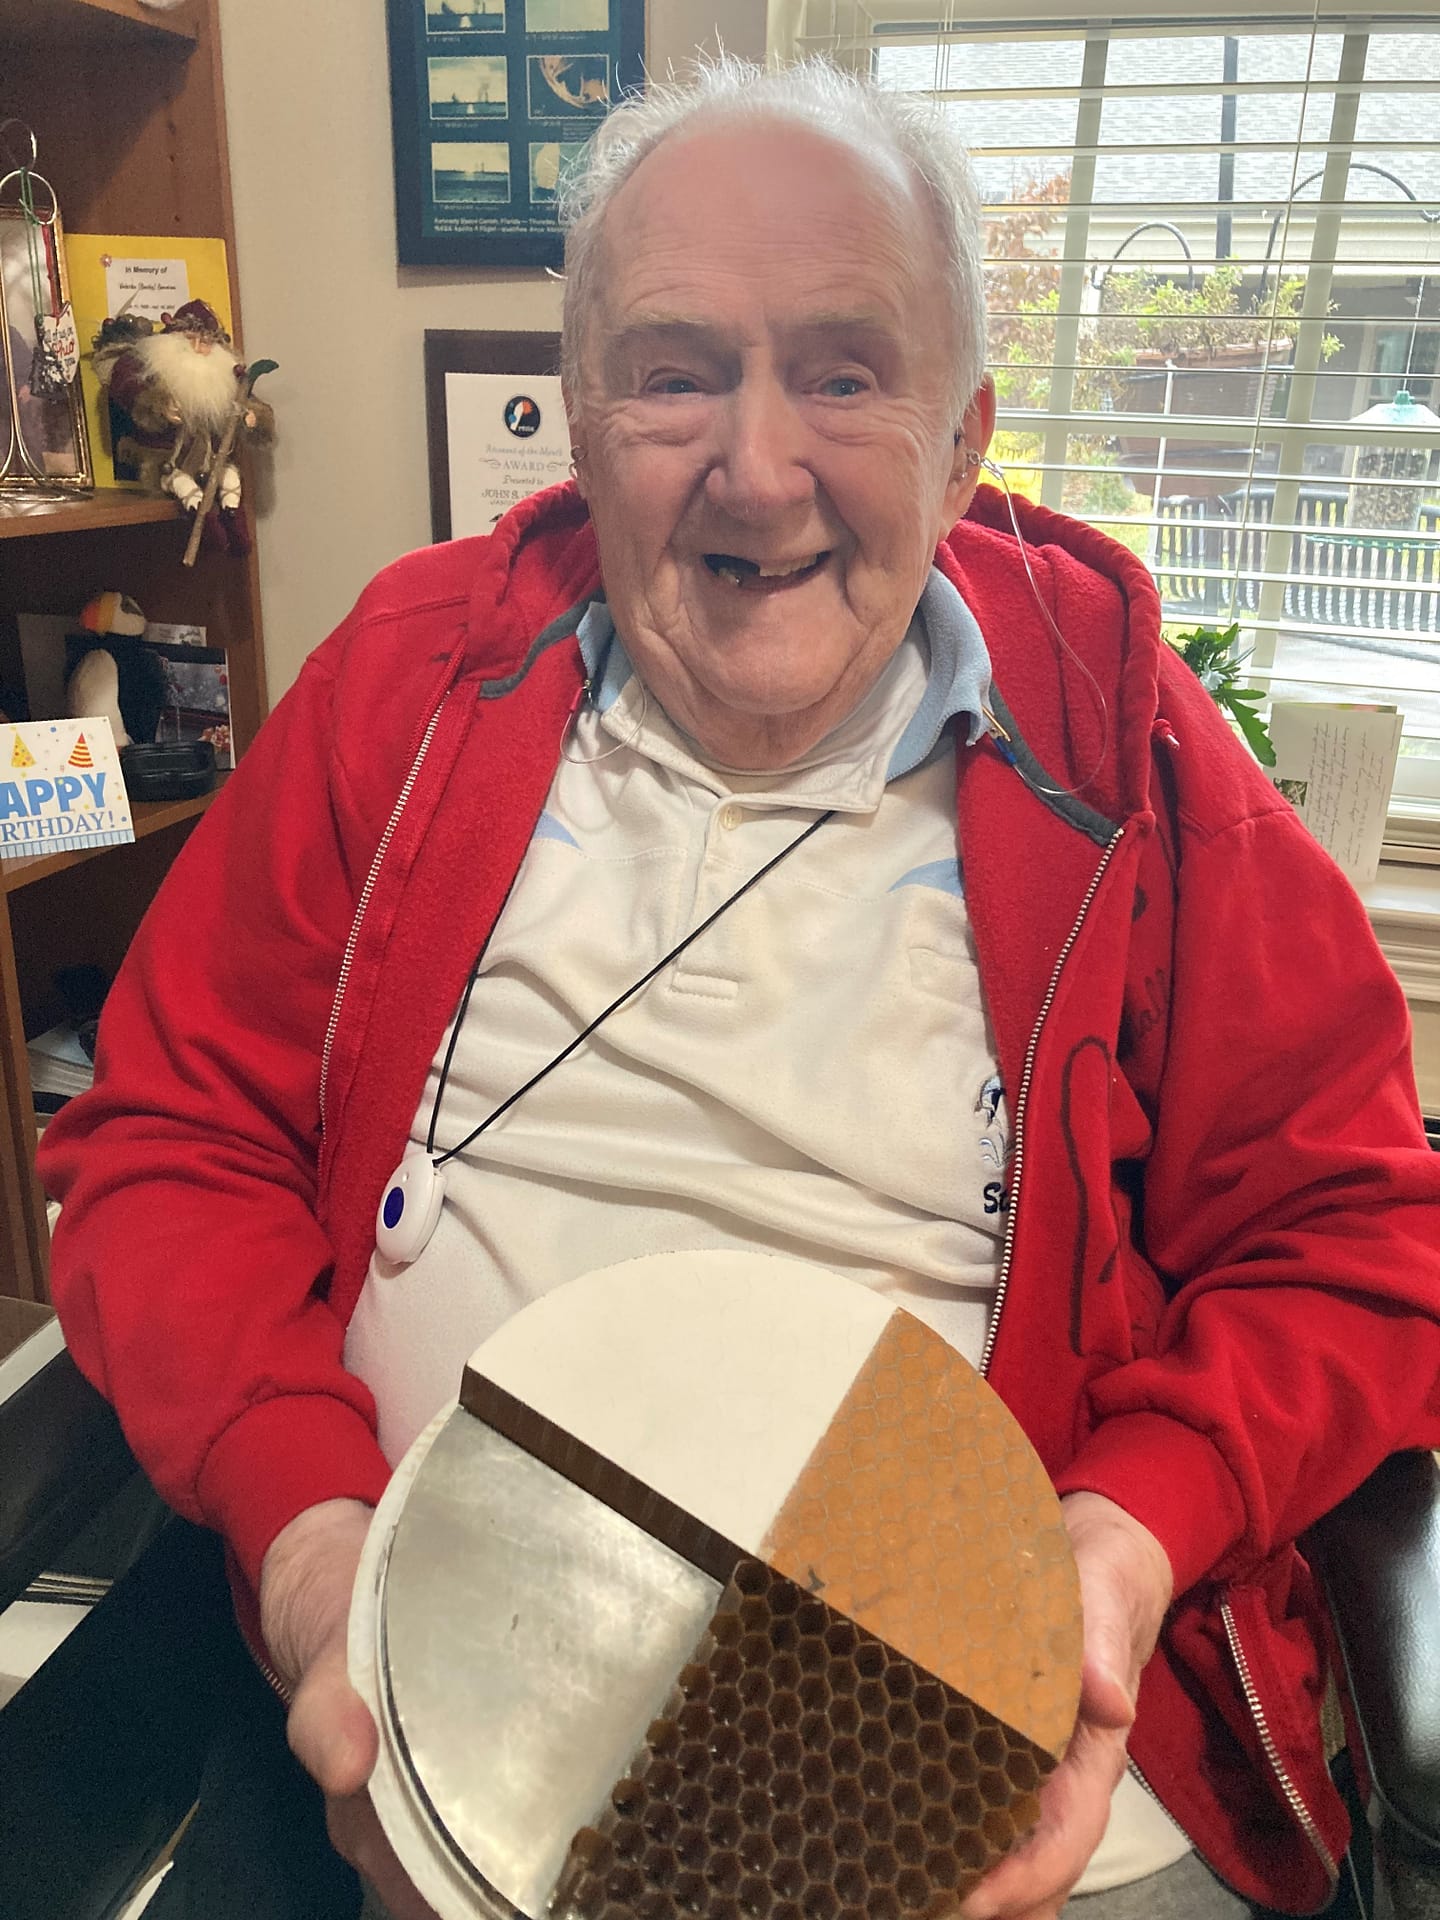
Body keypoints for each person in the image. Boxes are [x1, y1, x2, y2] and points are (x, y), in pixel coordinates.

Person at [37, 56, 1440, 1920]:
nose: (756, 466)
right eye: (675, 371)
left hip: (986, 1749)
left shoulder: (1125, 755)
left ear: (964, 445)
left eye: (845, 373)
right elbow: (170, 1150)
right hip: (428, 1684)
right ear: (586, 417)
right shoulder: (408, 685)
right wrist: (309, 1544)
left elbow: (1349, 1241)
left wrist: (1119, 1542)